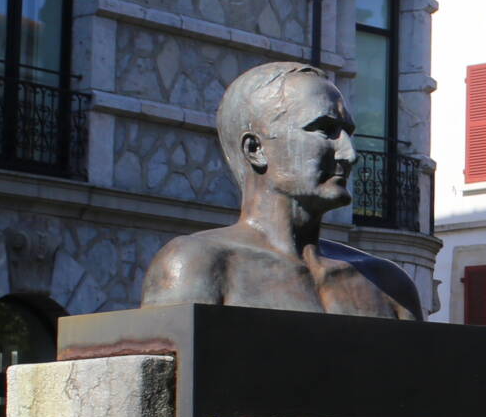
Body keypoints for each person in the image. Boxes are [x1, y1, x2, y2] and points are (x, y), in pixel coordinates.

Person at [141, 61, 424, 318]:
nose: (348, 154)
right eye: (325, 130)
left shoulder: (388, 284)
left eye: (348, 132)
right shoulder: (197, 264)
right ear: (256, 149)